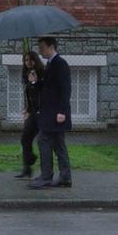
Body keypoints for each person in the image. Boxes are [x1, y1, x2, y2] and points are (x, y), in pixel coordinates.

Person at [27, 37, 73, 189]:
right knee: (59, 145)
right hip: (50, 113)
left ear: (51, 47)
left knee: (43, 140)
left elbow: (65, 90)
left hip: (55, 114)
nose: (40, 51)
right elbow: (47, 88)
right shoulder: (50, 64)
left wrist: (62, 111)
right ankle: (65, 178)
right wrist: (34, 82)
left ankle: (46, 177)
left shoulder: (60, 64)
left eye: (42, 48)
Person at [15, 50, 44, 179]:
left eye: (31, 60)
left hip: (41, 112)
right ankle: (27, 168)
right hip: (32, 112)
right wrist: (27, 109)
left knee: (42, 141)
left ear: (35, 60)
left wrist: (34, 82)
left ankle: (41, 169)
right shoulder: (26, 74)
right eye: (26, 60)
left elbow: (41, 92)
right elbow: (29, 95)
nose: (28, 62)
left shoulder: (41, 73)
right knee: (25, 139)